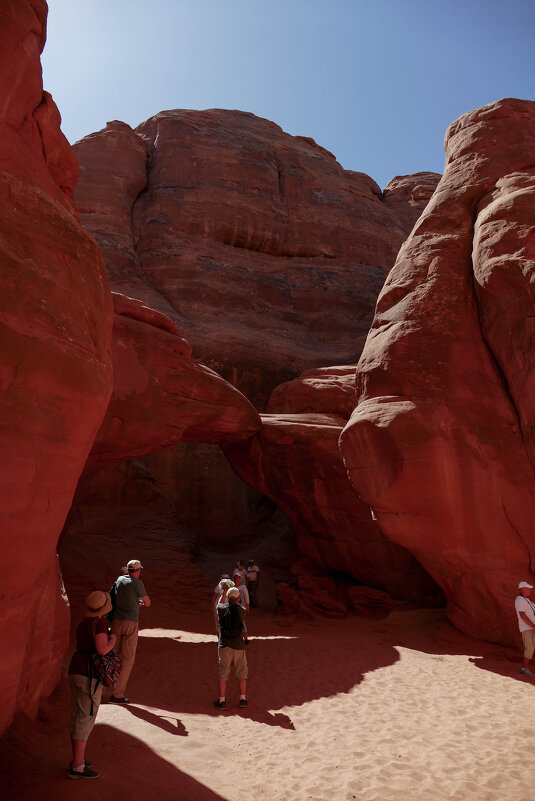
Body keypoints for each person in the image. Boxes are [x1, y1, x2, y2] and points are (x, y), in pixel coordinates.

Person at [67, 590, 116, 779]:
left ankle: (77, 759)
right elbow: (102, 650)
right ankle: (78, 766)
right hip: (89, 674)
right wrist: (113, 639)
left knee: (77, 716)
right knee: (85, 717)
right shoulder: (100, 623)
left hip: (76, 669)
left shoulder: (83, 623)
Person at [108, 559, 151, 703]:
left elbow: (113, 596)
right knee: (127, 659)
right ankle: (117, 694)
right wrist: (143, 601)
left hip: (116, 622)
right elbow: (147, 603)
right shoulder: (138, 583)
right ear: (138, 571)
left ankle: (100, 691)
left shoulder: (119, 580)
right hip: (130, 623)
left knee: (110, 654)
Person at [213, 587, 248, 710]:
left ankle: (222, 701)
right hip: (238, 645)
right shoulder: (242, 611)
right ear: (238, 598)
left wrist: (223, 592)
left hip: (224, 645)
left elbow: (219, 604)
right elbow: (241, 606)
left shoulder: (221, 610)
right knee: (241, 673)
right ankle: (242, 699)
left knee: (223, 673)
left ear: (228, 597)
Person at [515, 581, 535, 675]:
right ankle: (525, 669)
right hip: (527, 628)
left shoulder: (528, 601)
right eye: (528, 588)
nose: (530, 590)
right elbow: (522, 616)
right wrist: (533, 626)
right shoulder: (519, 600)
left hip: (532, 627)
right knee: (529, 647)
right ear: (523, 589)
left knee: (530, 647)